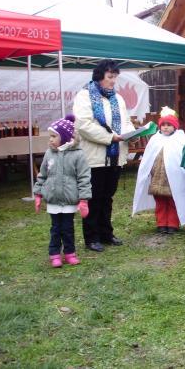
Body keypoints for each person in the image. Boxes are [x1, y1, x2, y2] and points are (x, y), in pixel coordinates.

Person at [73, 59, 136, 252]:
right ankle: (91, 237)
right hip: (94, 158)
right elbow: (83, 125)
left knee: (108, 197)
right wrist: (110, 137)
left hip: (115, 157)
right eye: (110, 77)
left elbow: (126, 122)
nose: (113, 81)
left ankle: (106, 233)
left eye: (115, 77)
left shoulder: (118, 98)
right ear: (99, 76)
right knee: (94, 198)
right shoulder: (84, 96)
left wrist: (132, 134)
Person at [33, 115, 91, 268]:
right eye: (50, 136)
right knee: (55, 229)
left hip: (69, 200)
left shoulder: (78, 155)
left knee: (67, 229)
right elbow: (42, 174)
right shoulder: (49, 154)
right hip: (53, 199)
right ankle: (54, 254)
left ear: (64, 137)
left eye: (54, 136)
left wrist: (83, 200)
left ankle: (70, 253)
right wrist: (38, 193)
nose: (50, 139)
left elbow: (84, 178)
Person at [132, 107, 185, 234]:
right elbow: (148, 159)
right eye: (163, 125)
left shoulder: (180, 140)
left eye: (169, 125)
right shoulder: (155, 139)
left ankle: (172, 224)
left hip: (175, 180)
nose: (165, 127)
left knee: (173, 201)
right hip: (157, 178)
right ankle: (161, 223)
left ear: (175, 127)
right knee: (160, 201)